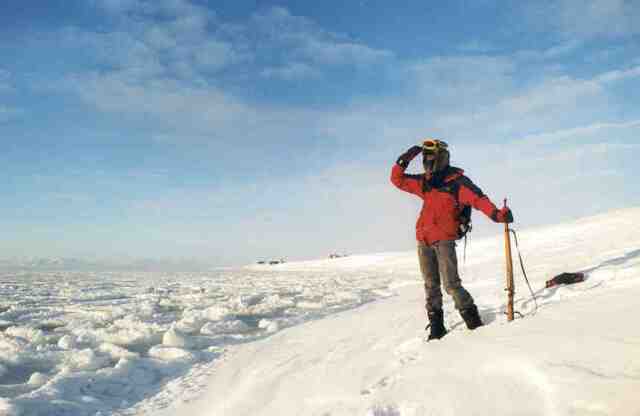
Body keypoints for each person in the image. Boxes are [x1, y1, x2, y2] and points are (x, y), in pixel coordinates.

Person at [390, 139, 513, 340]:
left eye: (430, 157)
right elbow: (397, 180)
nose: (427, 160)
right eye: (425, 157)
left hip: (444, 240)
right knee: (430, 286)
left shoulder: (457, 183)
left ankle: (473, 322)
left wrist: (498, 215)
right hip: (424, 239)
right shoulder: (426, 182)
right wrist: (406, 157)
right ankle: (437, 328)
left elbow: (479, 200)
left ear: (441, 158)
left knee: (451, 285)